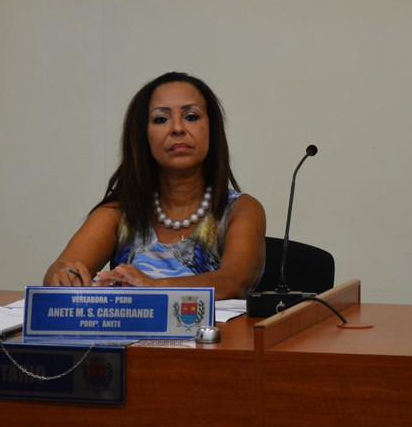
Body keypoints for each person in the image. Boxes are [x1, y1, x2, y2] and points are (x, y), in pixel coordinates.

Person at [43, 72, 266, 300]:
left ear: (212, 129)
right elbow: (60, 268)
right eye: (161, 119)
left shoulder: (241, 209)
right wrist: (63, 275)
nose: (177, 128)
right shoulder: (119, 212)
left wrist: (153, 285)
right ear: (143, 136)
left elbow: (233, 282)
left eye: (191, 116)